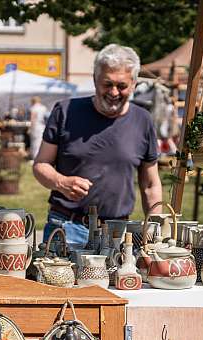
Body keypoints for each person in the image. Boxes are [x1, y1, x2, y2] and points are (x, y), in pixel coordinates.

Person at [33, 44, 163, 247]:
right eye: (107, 84)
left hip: (117, 232)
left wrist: (155, 229)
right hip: (66, 226)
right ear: (95, 79)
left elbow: (150, 184)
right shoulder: (66, 112)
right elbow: (41, 165)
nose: (113, 92)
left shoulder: (143, 120)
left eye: (121, 86)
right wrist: (61, 182)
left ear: (134, 84)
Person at [29, 96, 48, 160]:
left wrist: (30, 128)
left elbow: (33, 119)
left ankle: (35, 157)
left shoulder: (34, 108)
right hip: (42, 126)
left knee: (34, 142)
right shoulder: (43, 107)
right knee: (40, 142)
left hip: (36, 126)